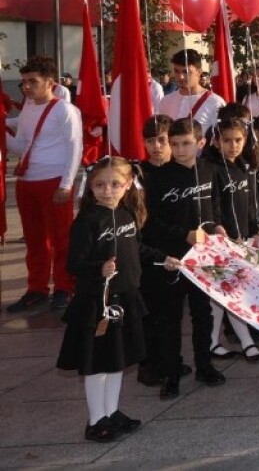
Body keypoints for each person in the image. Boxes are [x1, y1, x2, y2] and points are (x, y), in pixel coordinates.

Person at [58, 157, 181, 442]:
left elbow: (136, 248)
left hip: (126, 298)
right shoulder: (86, 222)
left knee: (118, 362)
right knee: (97, 365)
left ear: (127, 185)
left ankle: (112, 413)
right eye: (100, 185)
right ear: (90, 187)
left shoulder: (126, 215)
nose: (107, 190)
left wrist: (164, 259)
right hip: (98, 304)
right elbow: (73, 264)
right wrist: (97, 269)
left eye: (115, 184)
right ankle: (95, 420)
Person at [139, 118, 225, 398]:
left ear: (200, 143)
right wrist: (182, 235)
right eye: (174, 144)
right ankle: (171, 373)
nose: (179, 149)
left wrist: (218, 228)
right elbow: (149, 223)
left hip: (202, 257)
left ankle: (204, 364)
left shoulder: (210, 170)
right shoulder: (158, 178)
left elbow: (213, 209)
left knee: (202, 313)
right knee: (169, 318)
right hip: (171, 258)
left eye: (186, 143)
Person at [6, 55, 83, 313]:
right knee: (35, 240)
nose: (26, 87)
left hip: (54, 182)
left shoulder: (65, 110)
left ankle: (64, 287)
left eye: (33, 81)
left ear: (50, 82)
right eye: (24, 82)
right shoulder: (28, 108)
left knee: (62, 238)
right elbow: (21, 147)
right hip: (27, 181)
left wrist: (66, 184)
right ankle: (36, 289)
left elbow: (76, 148)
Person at [205, 118, 259, 364]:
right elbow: (213, 205)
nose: (233, 145)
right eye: (227, 140)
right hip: (223, 240)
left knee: (230, 292)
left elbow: (250, 205)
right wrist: (222, 232)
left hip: (244, 239)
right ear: (217, 141)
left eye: (238, 140)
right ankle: (245, 341)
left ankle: (213, 340)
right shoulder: (212, 169)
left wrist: (254, 231)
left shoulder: (243, 166)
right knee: (227, 291)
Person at [158, 49, 225, 135]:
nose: (181, 77)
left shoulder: (215, 102)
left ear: (199, 72)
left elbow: (221, 139)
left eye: (186, 72)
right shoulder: (166, 101)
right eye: (177, 71)